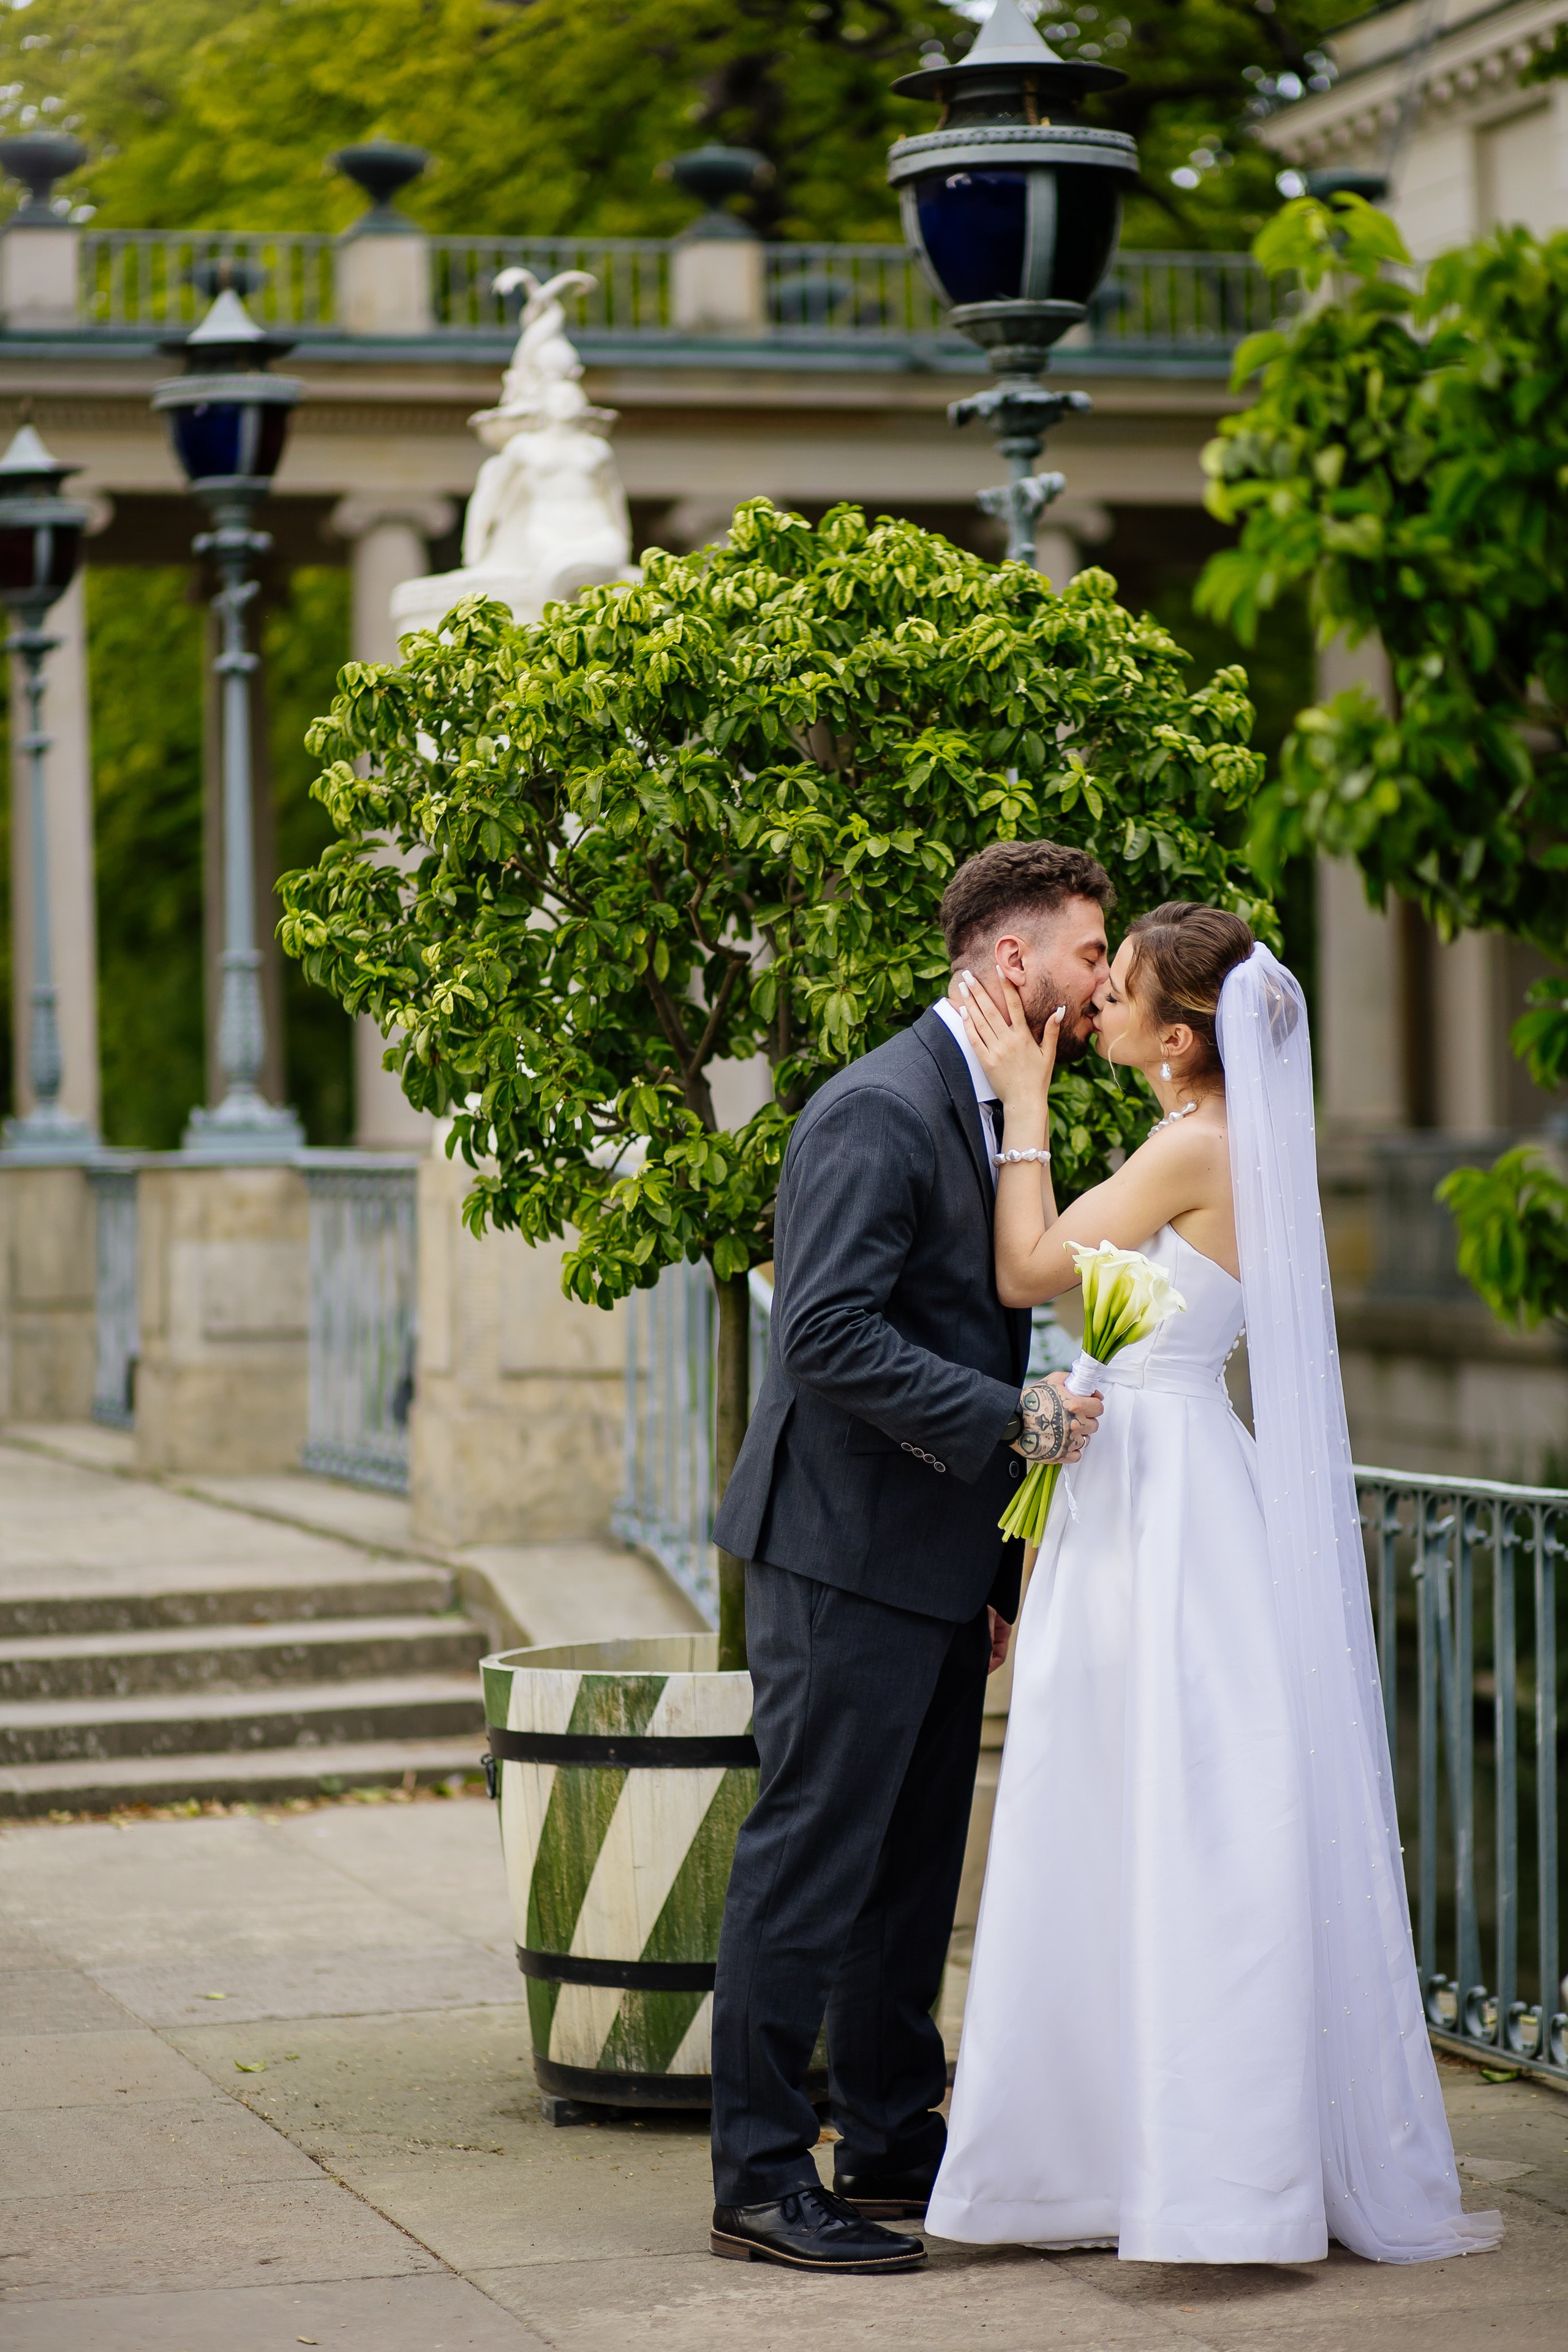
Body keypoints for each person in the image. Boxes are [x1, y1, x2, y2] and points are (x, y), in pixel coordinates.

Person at [927, 902, 1503, 2265]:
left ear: (1179, 1040)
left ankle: (1179, 2178)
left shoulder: (1193, 1144)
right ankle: (1146, 2161)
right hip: (1155, 1473)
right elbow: (1110, 1313)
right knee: (1158, 1806)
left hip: (1163, 1493)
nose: (1093, 1009)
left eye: (1114, 992)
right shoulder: (1214, 1138)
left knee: (1149, 1804)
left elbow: (1026, 1267)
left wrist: (1019, 1102)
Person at [707, 840, 1111, 2274]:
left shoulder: (984, 1099)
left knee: (906, 1873)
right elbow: (821, 1337)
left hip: (935, 1565)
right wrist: (1013, 1418)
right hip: (837, 1557)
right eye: (1085, 954)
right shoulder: (876, 1106)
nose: (1100, 980)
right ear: (1013, 963)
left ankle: (886, 2139)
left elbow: (968, 1311)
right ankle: (757, 2178)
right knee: (809, 1862)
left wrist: (991, 1577)